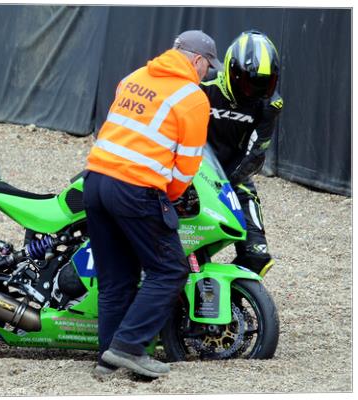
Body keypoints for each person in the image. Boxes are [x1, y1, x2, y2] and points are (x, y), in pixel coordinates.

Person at [83, 30, 218, 378]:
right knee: (170, 269)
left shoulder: (134, 77)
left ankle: (108, 361)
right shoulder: (192, 96)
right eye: (207, 67)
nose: (206, 74)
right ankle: (128, 347)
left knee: (116, 279)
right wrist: (168, 199)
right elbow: (187, 163)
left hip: (95, 179)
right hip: (135, 187)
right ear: (198, 61)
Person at [200, 30, 282, 277]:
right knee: (187, 246)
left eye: (262, 85)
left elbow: (256, 155)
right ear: (231, 71)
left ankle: (231, 294)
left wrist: (224, 185)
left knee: (258, 257)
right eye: (248, 83)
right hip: (189, 174)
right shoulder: (202, 85)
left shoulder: (269, 105)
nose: (253, 92)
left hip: (233, 177)